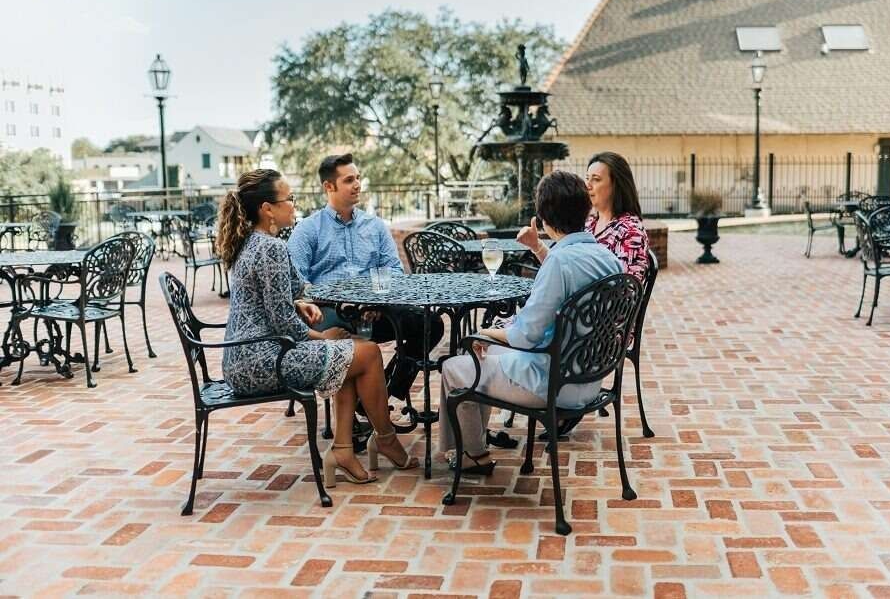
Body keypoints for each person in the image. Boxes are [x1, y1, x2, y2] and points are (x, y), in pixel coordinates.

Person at [216, 169, 418, 488]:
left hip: (245, 357)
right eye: (289, 199)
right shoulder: (269, 248)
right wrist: (321, 336)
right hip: (262, 361)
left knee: (349, 357)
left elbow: (289, 292)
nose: (294, 205)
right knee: (366, 354)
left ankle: (343, 450)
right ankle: (386, 438)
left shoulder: (254, 242)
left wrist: (299, 303)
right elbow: (284, 324)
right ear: (268, 209)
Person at [438, 171, 622, 474]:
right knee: (486, 354)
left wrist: (485, 333)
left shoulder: (559, 264)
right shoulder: (608, 259)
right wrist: (538, 248)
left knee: (456, 366)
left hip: (551, 386)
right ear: (585, 211)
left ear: (544, 219)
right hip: (589, 381)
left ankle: (470, 453)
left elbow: (526, 336)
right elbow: (568, 277)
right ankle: (475, 445)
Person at [287, 154, 444, 402]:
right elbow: (296, 282)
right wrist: (332, 300)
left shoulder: (376, 226)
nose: (357, 184)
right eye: (349, 180)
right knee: (347, 340)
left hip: (376, 311)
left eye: (358, 178)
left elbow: (394, 269)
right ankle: (369, 402)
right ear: (329, 186)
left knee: (430, 323)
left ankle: (387, 392)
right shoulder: (308, 229)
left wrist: (377, 301)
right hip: (330, 313)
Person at [517, 151, 649, 283]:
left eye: (596, 179)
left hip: (599, 303)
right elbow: (564, 265)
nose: (587, 185)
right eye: (587, 178)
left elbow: (627, 290)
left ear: (617, 185)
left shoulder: (631, 231)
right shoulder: (589, 223)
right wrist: (537, 245)